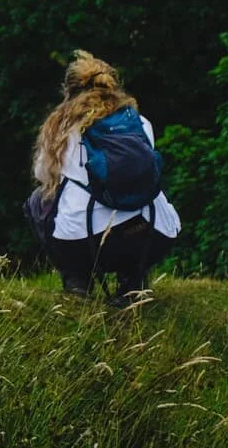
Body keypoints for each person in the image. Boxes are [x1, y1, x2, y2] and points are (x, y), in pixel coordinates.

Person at [24, 51, 180, 300]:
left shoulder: (63, 128)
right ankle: (134, 280)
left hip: (87, 243)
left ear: (69, 92)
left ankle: (78, 281)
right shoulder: (140, 123)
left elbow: (42, 175)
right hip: (152, 236)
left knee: (37, 200)